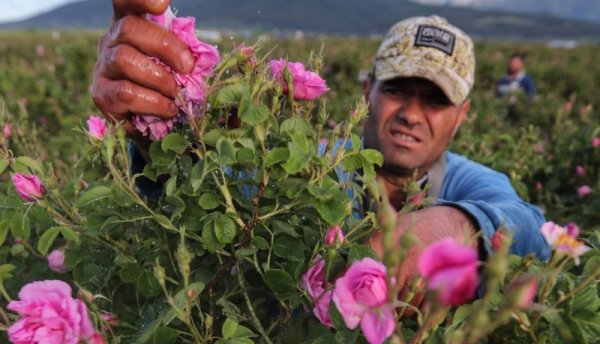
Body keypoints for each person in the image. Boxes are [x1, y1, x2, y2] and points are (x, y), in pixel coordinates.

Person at [91, 2, 549, 292]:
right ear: (367, 89)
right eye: (397, 90)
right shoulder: (315, 165)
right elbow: (206, 195)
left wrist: (456, 224)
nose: (412, 112)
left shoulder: (471, 181)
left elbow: (529, 227)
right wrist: (161, 133)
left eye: (435, 100)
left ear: (462, 115)